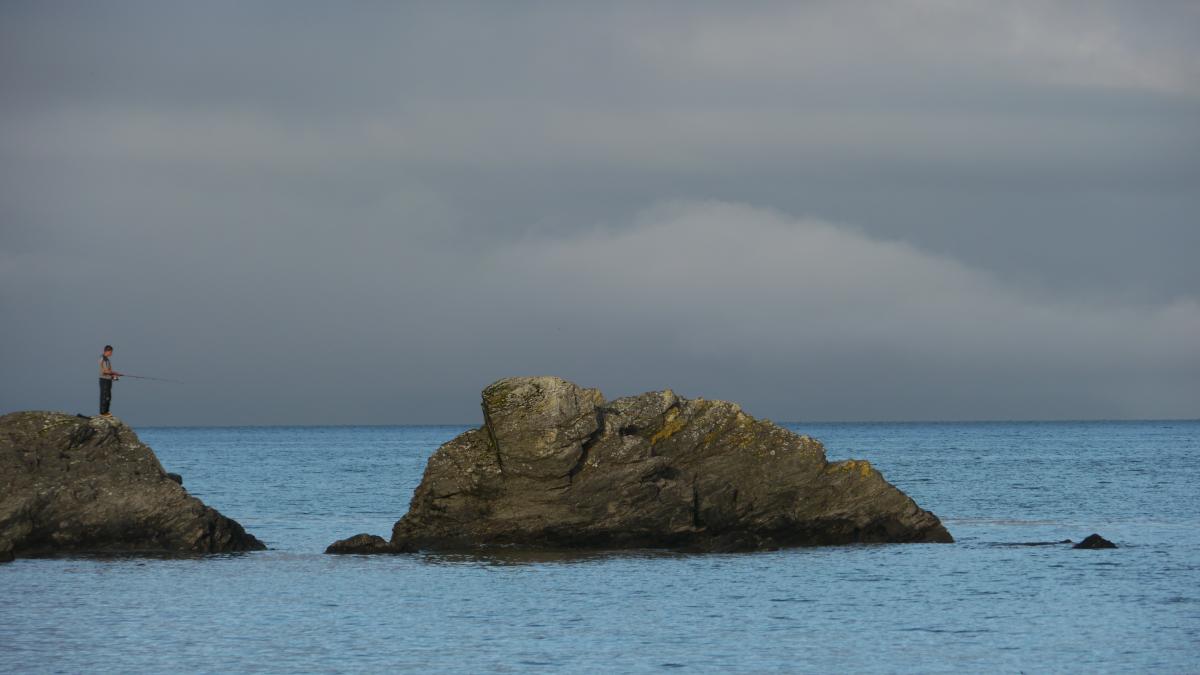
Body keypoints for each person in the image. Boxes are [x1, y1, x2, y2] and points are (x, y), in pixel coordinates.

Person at [99, 345, 122, 416]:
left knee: (108, 396)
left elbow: (109, 371)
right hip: (104, 380)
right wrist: (115, 373)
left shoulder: (107, 359)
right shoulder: (103, 359)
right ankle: (103, 412)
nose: (111, 353)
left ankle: (106, 411)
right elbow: (105, 371)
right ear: (107, 351)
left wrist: (114, 376)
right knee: (105, 395)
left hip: (108, 379)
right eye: (111, 352)